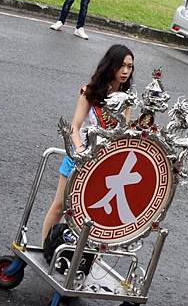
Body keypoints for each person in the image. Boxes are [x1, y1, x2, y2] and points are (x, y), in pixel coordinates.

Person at [41, 44, 134, 243]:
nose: (125, 71)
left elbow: (123, 133)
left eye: (129, 66)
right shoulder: (90, 91)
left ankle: (85, 257)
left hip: (105, 163)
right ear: (111, 66)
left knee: (93, 214)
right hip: (79, 156)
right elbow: (74, 126)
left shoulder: (127, 100)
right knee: (60, 206)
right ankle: (44, 247)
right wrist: (81, 150)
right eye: (121, 66)